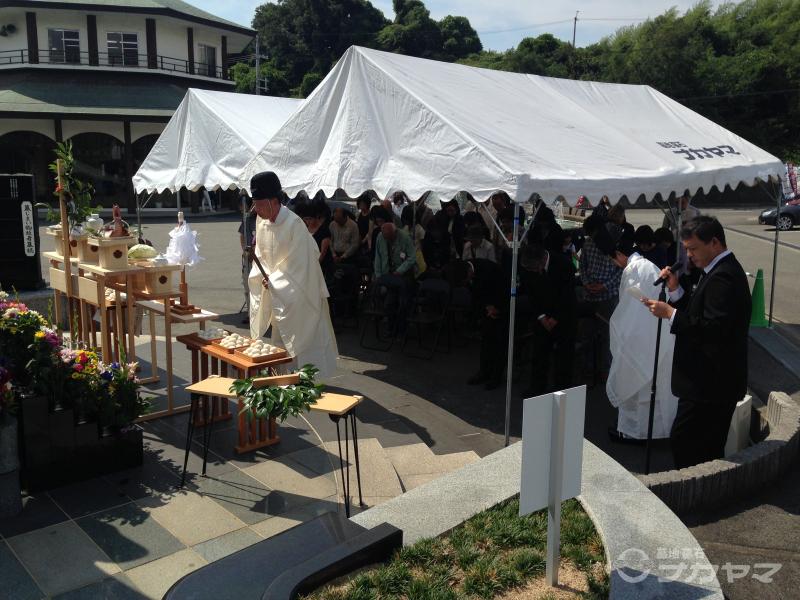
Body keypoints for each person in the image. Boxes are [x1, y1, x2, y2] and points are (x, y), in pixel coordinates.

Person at [643, 216, 751, 468]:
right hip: (706, 383)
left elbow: (713, 329)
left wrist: (670, 313)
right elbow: (698, 314)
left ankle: (697, 500)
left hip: (710, 385)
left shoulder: (724, 277)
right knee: (694, 444)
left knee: (692, 445)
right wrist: (675, 291)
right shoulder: (716, 270)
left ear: (714, 243)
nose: (689, 255)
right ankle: (701, 495)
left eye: (693, 248)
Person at [247, 171, 338, 378]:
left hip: (300, 291)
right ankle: (284, 378)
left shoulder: (293, 224)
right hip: (279, 290)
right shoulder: (262, 223)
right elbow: (261, 255)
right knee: (280, 338)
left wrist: (275, 280)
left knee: (305, 336)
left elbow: (301, 263)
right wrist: (264, 276)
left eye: (260, 204)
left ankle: (310, 380)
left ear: (273, 201)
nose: (257, 210)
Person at [606, 244, 678, 442]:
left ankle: (633, 433)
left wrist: (621, 329)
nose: (615, 264)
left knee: (638, 386)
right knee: (655, 386)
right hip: (655, 331)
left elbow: (628, 308)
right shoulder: (646, 265)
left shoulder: (634, 269)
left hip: (643, 333)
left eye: (613, 259)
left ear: (619, 254)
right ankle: (657, 432)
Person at [519, 243, 577, 397]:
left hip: (564, 315)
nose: (535, 272)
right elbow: (531, 293)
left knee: (564, 355)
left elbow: (567, 295)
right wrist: (542, 316)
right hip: (542, 314)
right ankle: (537, 386)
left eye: (536, 268)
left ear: (543, 258)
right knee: (539, 352)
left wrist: (556, 318)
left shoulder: (564, 264)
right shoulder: (527, 268)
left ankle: (562, 389)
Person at [464, 258, 509, 390]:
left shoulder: (489, 269)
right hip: (487, 309)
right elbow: (477, 295)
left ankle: (496, 376)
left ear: (469, 271)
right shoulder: (470, 270)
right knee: (486, 342)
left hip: (501, 308)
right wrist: (487, 307)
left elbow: (503, 290)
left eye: (467, 278)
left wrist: (495, 308)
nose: (468, 281)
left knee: (500, 344)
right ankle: (484, 372)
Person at [373, 222, 416, 334]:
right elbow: (377, 256)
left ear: (395, 232)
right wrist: (378, 275)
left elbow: (412, 258)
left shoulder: (405, 238)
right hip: (388, 274)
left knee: (402, 301)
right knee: (389, 302)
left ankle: (401, 328)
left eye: (390, 237)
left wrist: (400, 270)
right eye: (385, 237)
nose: (387, 239)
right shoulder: (380, 237)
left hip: (404, 274)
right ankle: (391, 327)